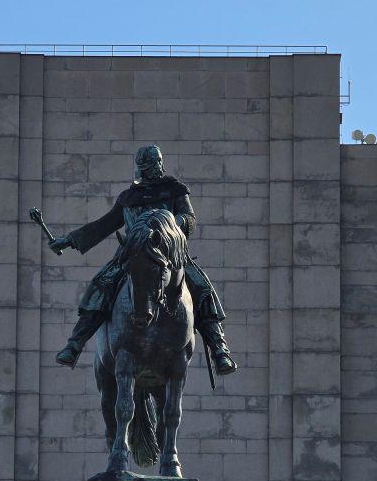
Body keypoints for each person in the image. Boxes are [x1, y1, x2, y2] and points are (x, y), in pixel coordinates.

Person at [50, 144, 237, 375]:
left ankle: (220, 349)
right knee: (101, 285)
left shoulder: (175, 190)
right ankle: (74, 344)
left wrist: (168, 225)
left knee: (202, 287)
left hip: (169, 254)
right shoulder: (130, 197)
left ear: (161, 163)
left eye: (154, 165)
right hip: (132, 254)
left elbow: (189, 218)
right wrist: (68, 240)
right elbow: (103, 225)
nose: (152, 170)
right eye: (147, 167)